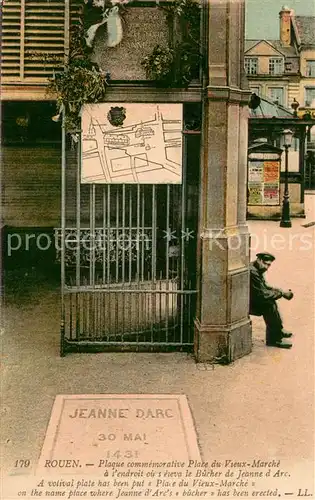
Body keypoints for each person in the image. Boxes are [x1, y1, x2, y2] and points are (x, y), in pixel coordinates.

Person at [249, 252, 294, 349]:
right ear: (259, 260)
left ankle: (278, 331)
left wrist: (279, 290)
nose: (267, 267)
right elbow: (262, 295)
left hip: (248, 299)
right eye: (265, 264)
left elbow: (264, 286)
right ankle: (273, 340)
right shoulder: (253, 272)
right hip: (245, 304)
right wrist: (281, 294)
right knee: (269, 305)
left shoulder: (257, 267)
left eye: (269, 265)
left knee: (271, 301)